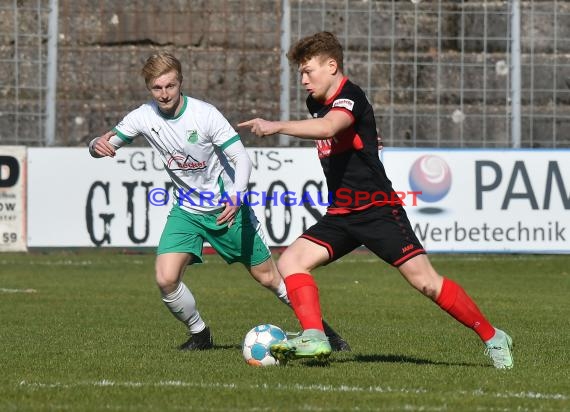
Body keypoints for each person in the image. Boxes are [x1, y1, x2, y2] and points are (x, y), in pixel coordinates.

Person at [238, 32, 514, 369]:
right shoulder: (316, 102)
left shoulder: (351, 97)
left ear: (332, 66)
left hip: (377, 209)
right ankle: (314, 336)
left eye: (308, 71)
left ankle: (493, 337)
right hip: (341, 213)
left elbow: (328, 128)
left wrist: (275, 125)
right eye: (300, 74)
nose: (304, 80)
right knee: (291, 261)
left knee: (425, 282)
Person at [88, 51, 349, 352]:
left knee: (270, 278)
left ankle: (323, 333)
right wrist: (96, 145)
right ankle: (200, 333)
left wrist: (236, 197)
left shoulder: (205, 115)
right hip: (186, 212)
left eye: (170, 86)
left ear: (181, 82)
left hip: (227, 210)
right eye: (157, 88)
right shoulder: (143, 117)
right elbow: (103, 145)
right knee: (165, 278)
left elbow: (242, 158)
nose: (164, 94)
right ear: (149, 88)